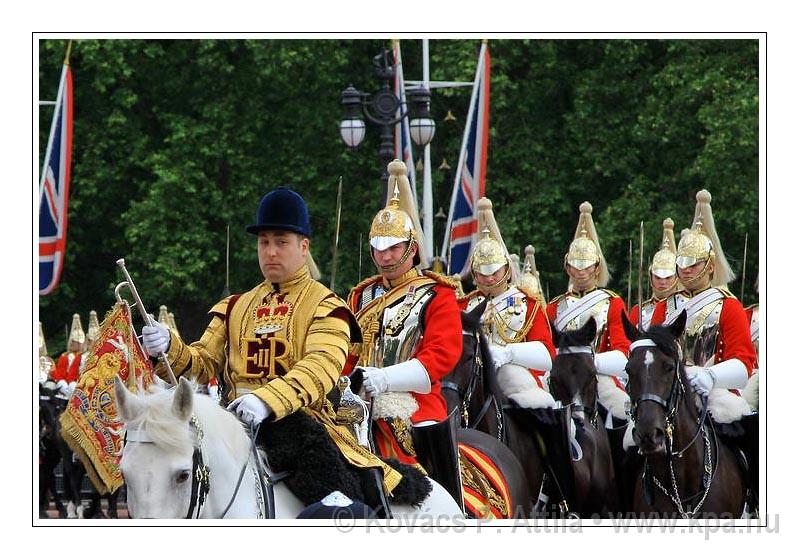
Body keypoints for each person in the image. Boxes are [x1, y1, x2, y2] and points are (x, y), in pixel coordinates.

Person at [141, 186, 405, 516]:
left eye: (281, 242)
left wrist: (267, 401)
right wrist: (168, 347)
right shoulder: (235, 306)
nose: (271, 252)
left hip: (306, 429)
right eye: (264, 242)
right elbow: (201, 363)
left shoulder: (326, 307)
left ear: (303, 246)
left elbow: (319, 368)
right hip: (232, 426)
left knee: (338, 506)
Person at [347, 160, 464, 505]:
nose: (384, 256)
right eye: (378, 248)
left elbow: (440, 357)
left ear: (411, 249)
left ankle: (453, 509)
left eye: (393, 248)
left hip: (413, 400)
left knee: (423, 452)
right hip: (356, 398)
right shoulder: (360, 294)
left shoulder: (438, 294)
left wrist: (383, 379)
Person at [649, 189, 758, 508]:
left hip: (716, 394)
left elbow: (743, 366)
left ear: (710, 266)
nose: (685, 270)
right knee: (632, 442)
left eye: (693, 264)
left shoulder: (729, 306)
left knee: (748, 435)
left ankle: (755, 500)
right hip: (668, 395)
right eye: (682, 263)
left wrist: (709, 376)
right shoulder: (664, 308)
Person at [458, 198, 555, 409]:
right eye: (482, 274)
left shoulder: (528, 303)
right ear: (474, 274)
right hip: (470, 374)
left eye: (494, 272)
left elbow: (547, 353)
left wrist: (509, 353)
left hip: (517, 374)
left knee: (538, 407)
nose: (489, 279)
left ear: (506, 270)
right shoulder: (463, 305)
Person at [546, 202, 631, 426]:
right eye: (575, 266)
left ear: (596, 268)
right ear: (567, 268)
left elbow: (623, 351)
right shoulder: (554, 307)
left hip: (599, 375)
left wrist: (591, 362)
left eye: (586, 266)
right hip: (561, 376)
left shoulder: (612, 302)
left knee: (624, 414)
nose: (580, 272)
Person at [628, 218, 681, 330]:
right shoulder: (638, 311)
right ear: (651, 277)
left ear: (676, 278)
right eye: (657, 277)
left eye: (668, 278)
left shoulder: (685, 305)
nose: (662, 282)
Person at [53, 313, 86, 397]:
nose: (71, 344)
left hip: (79, 381)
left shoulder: (84, 356)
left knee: (73, 387)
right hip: (65, 381)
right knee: (63, 385)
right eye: (71, 342)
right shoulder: (64, 356)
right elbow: (60, 372)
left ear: (80, 344)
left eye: (73, 342)